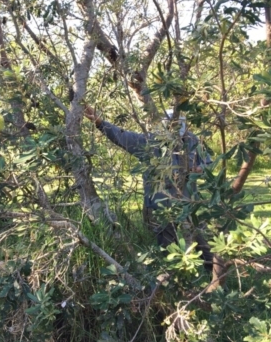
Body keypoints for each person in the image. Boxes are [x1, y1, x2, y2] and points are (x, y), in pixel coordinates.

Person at [84, 105, 213, 267]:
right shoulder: (150, 142)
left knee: (201, 240)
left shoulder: (193, 140)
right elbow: (122, 137)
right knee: (167, 247)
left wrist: (200, 169)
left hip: (188, 202)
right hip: (161, 205)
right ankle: (172, 281)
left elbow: (208, 162)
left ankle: (213, 274)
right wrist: (100, 122)